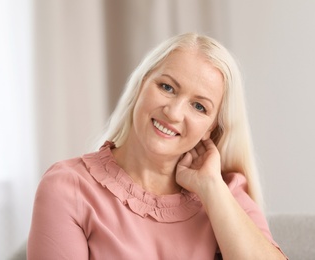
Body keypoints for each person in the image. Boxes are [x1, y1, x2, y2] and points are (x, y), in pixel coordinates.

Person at [27, 33, 287, 259]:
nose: (173, 112)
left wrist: (211, 189)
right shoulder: (68, 188)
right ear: (141, 84)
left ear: (211, 128)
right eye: (167, 87)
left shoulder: (224, 192)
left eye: (199, 106)